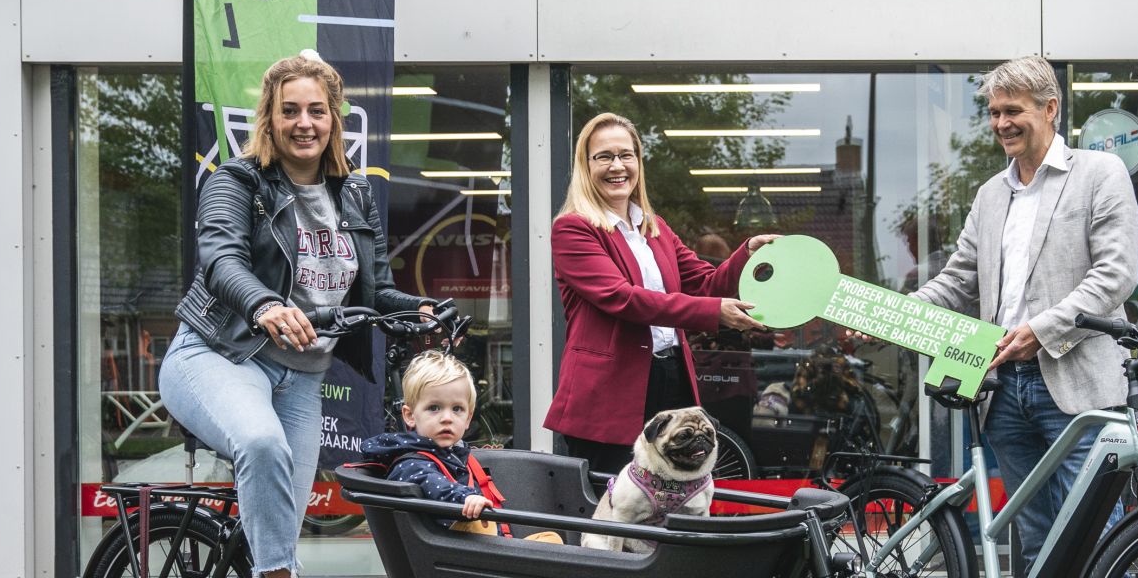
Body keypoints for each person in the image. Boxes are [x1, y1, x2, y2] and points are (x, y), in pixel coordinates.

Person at [160, 53, 436, 578]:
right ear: (270, 118)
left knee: (279, 527)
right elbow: (221, 260)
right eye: (289, 111)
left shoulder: (355, 193)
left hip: (303, 380)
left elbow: (375, 292)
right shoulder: (237, 182)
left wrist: (421, 309)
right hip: (218, 355)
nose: (303, 123)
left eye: (316, 111)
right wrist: (264, 304)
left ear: (334, 119)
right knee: (262, 446)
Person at [908, 55, 1138, 569]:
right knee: (1032, 543)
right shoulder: (992, 194)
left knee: (1098, 538)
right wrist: (892, 314)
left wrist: (1041, 330)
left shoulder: (1101, 173)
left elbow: (1115, 275)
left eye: (1011, 110)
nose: (1000, 124)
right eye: (992, 113)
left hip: (1078, 385)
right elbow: (958, 279)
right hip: (1003, 390)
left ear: (1050, 108)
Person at [545, 112, 779, 476]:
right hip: (609, 394)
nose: (617, 166)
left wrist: (745, 253)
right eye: (604, 156)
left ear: (638, 162)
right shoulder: (573, 229)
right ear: (585, 166)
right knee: (611, 513)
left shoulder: (655, 229)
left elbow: (705, 284)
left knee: (674, 502)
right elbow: (623, 298)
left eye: (627, 155)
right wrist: (714, 312)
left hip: (671, 378)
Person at [361, 351, 563, 542]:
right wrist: (466, 498)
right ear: (410, 416)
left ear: (468, 418)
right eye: (434, 408)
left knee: (551, 539)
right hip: (451, 554)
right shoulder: (412, 463)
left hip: (486, 548)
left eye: (457, 409)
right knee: (476, 523)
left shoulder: (456, 456)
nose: (447, 418)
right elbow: (435, 486)